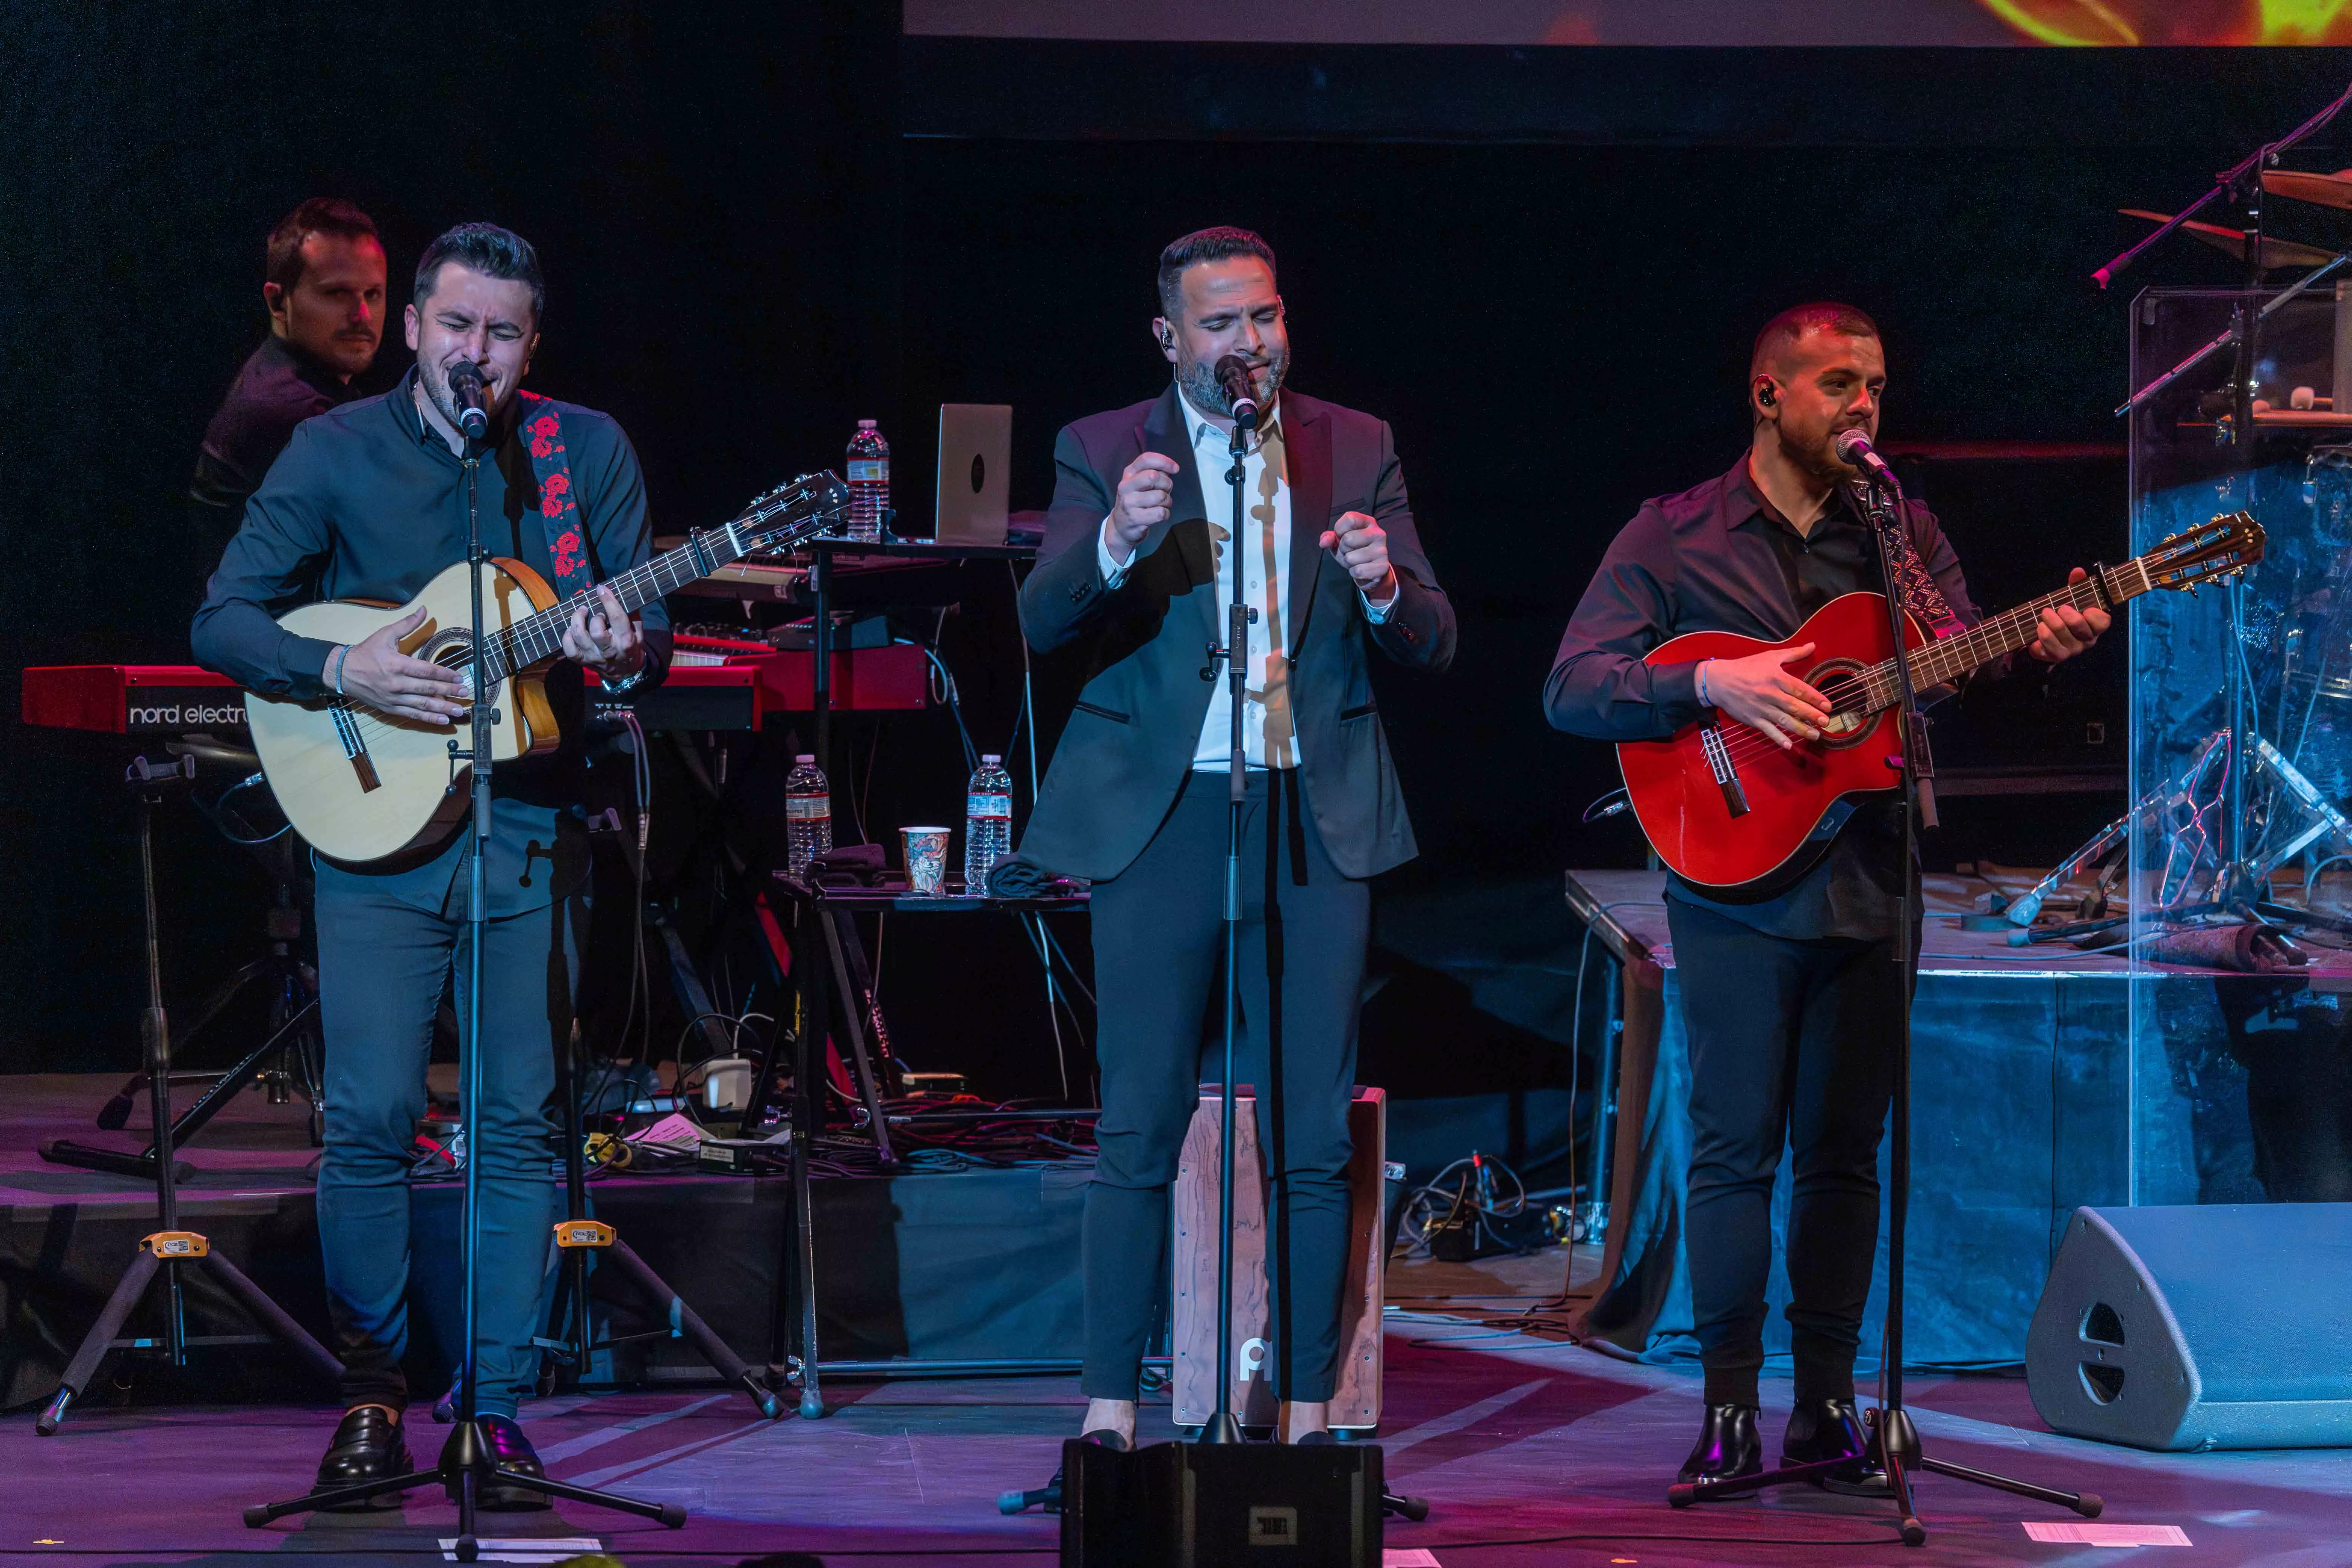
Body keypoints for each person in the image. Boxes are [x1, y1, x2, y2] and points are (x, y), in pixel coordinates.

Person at [1546, 304, 2108, 1490]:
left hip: (1869, 875)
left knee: (1845, 1153)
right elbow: (1574, 686)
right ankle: (1729, 1408)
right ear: (1768, 394)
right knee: (1734, 1147)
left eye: (1877, 388)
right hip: (1735, 879)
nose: (1864, 408)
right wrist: (1710, 678)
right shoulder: (1673, 533)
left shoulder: (1900, 532)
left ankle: (1828, 1406)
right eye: (1840, 385)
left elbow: (1955, 656)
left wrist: (2033, 644)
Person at [192, 223, 669, 1507]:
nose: (477, 354)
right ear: (412, 324)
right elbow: (222, 612)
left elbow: (643, 630)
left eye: (502, 333)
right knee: (368, 1115)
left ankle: (498, 1407)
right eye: (455, 326)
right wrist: (338, 664)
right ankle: (369, 1391)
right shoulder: (333, 450)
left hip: (529, 822)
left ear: (531, 344)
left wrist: (627, 644)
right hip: (378, 834)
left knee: (514, 1120)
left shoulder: (583, 452)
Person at [1017, 226, 1456, 1457]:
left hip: (1309, 815)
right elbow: (1042, 618)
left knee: (1309, 1131)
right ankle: (1110, 1416)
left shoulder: (1351, 444)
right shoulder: (1108, 447)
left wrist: (1381, 586)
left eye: (1263, 317)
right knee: (1139, 1122)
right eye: (1219, 324)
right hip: (1165, 816)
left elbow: (1435, 636)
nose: (1247, 343)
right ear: (1170, 338)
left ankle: (1308, 1419)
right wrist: (1114, 541)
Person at [191, 198, 390, 527]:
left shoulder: (292, 377)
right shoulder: (293, 411)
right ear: (277, 302)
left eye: (373, 294)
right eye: (337, 293)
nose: (362, 316)